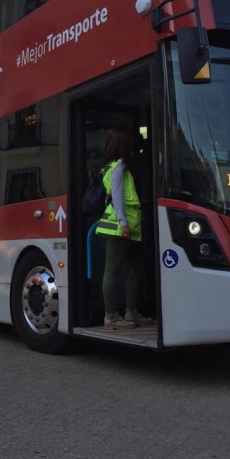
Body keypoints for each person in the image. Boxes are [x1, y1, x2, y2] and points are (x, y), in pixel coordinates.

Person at [95, 127, 155, 330]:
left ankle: (131, 312)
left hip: (129, 225)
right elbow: (118, 197)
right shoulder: (118, 167)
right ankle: (111, 315)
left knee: (138, 267)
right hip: (120, 227)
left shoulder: (112, 166)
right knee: (112, 269)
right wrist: (123, 222)